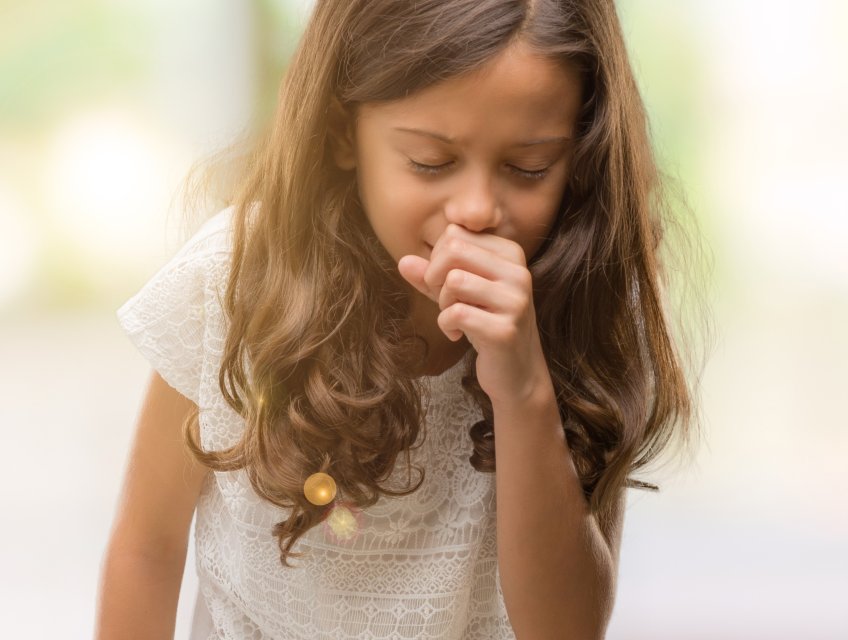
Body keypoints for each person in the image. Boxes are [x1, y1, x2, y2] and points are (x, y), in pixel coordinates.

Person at [97, 1, 710, 638]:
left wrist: (525, 389)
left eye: (529, 168)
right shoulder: (234, 282)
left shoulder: (586, 303)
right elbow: (147, 548)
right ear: (342, 134)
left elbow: (566, 629)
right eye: (429, 162)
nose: (475, 210)